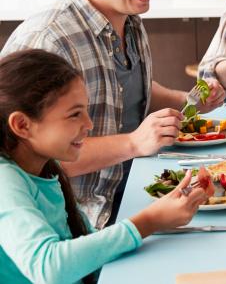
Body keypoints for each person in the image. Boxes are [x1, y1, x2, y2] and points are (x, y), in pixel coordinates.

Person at [0, 0, 226, 228]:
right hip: (85, 220)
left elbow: (122, 87)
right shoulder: (48, 40)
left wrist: (185, 100)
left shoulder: (128, 17)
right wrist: (135, 142)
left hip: (138, 183)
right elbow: (34, 158)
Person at [0, 50, 209, 284]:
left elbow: (88, 248)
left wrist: (160, 216)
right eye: (74, 115)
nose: (88, 124)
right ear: (22, 125)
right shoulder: (5, 181)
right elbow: (49, 268)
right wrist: (150, 221)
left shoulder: (45, 167)